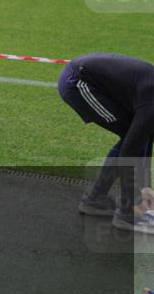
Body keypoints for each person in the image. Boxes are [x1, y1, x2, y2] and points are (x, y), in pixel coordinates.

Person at [57, 52, 154, 233]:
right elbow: (130, 151)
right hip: (78, 82)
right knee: (131, 139)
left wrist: (146, 186)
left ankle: (95, 199)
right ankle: (127, 214)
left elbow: (146, 137)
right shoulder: (151, 102)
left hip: (88, 74)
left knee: (137, 135)